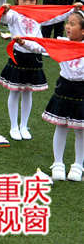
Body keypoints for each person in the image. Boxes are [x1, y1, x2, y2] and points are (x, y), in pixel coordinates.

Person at [0, 0, 76, 141]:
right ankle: (14, 125)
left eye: (31, 0)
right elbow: (3, 19)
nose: (27, 2)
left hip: (34, 57)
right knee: (15, 92)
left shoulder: (38, 14)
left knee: (28, 92)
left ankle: (24, 125)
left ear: (37, 1)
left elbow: (55, 17)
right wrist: (5, 9)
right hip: (18, 56)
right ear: (17, 0)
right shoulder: (14, 13)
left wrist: (71, 10)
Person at [14, 11, 84, 182]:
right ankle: (58, 163)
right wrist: (24, 43)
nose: (68, 26)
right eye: (68, 22)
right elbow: (41, 46)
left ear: (83, 31)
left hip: (82, 90)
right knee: (61, 126)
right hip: (64, 88)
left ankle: (78, 164)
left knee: (81, 130)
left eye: (73, 24)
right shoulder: (61, 43)